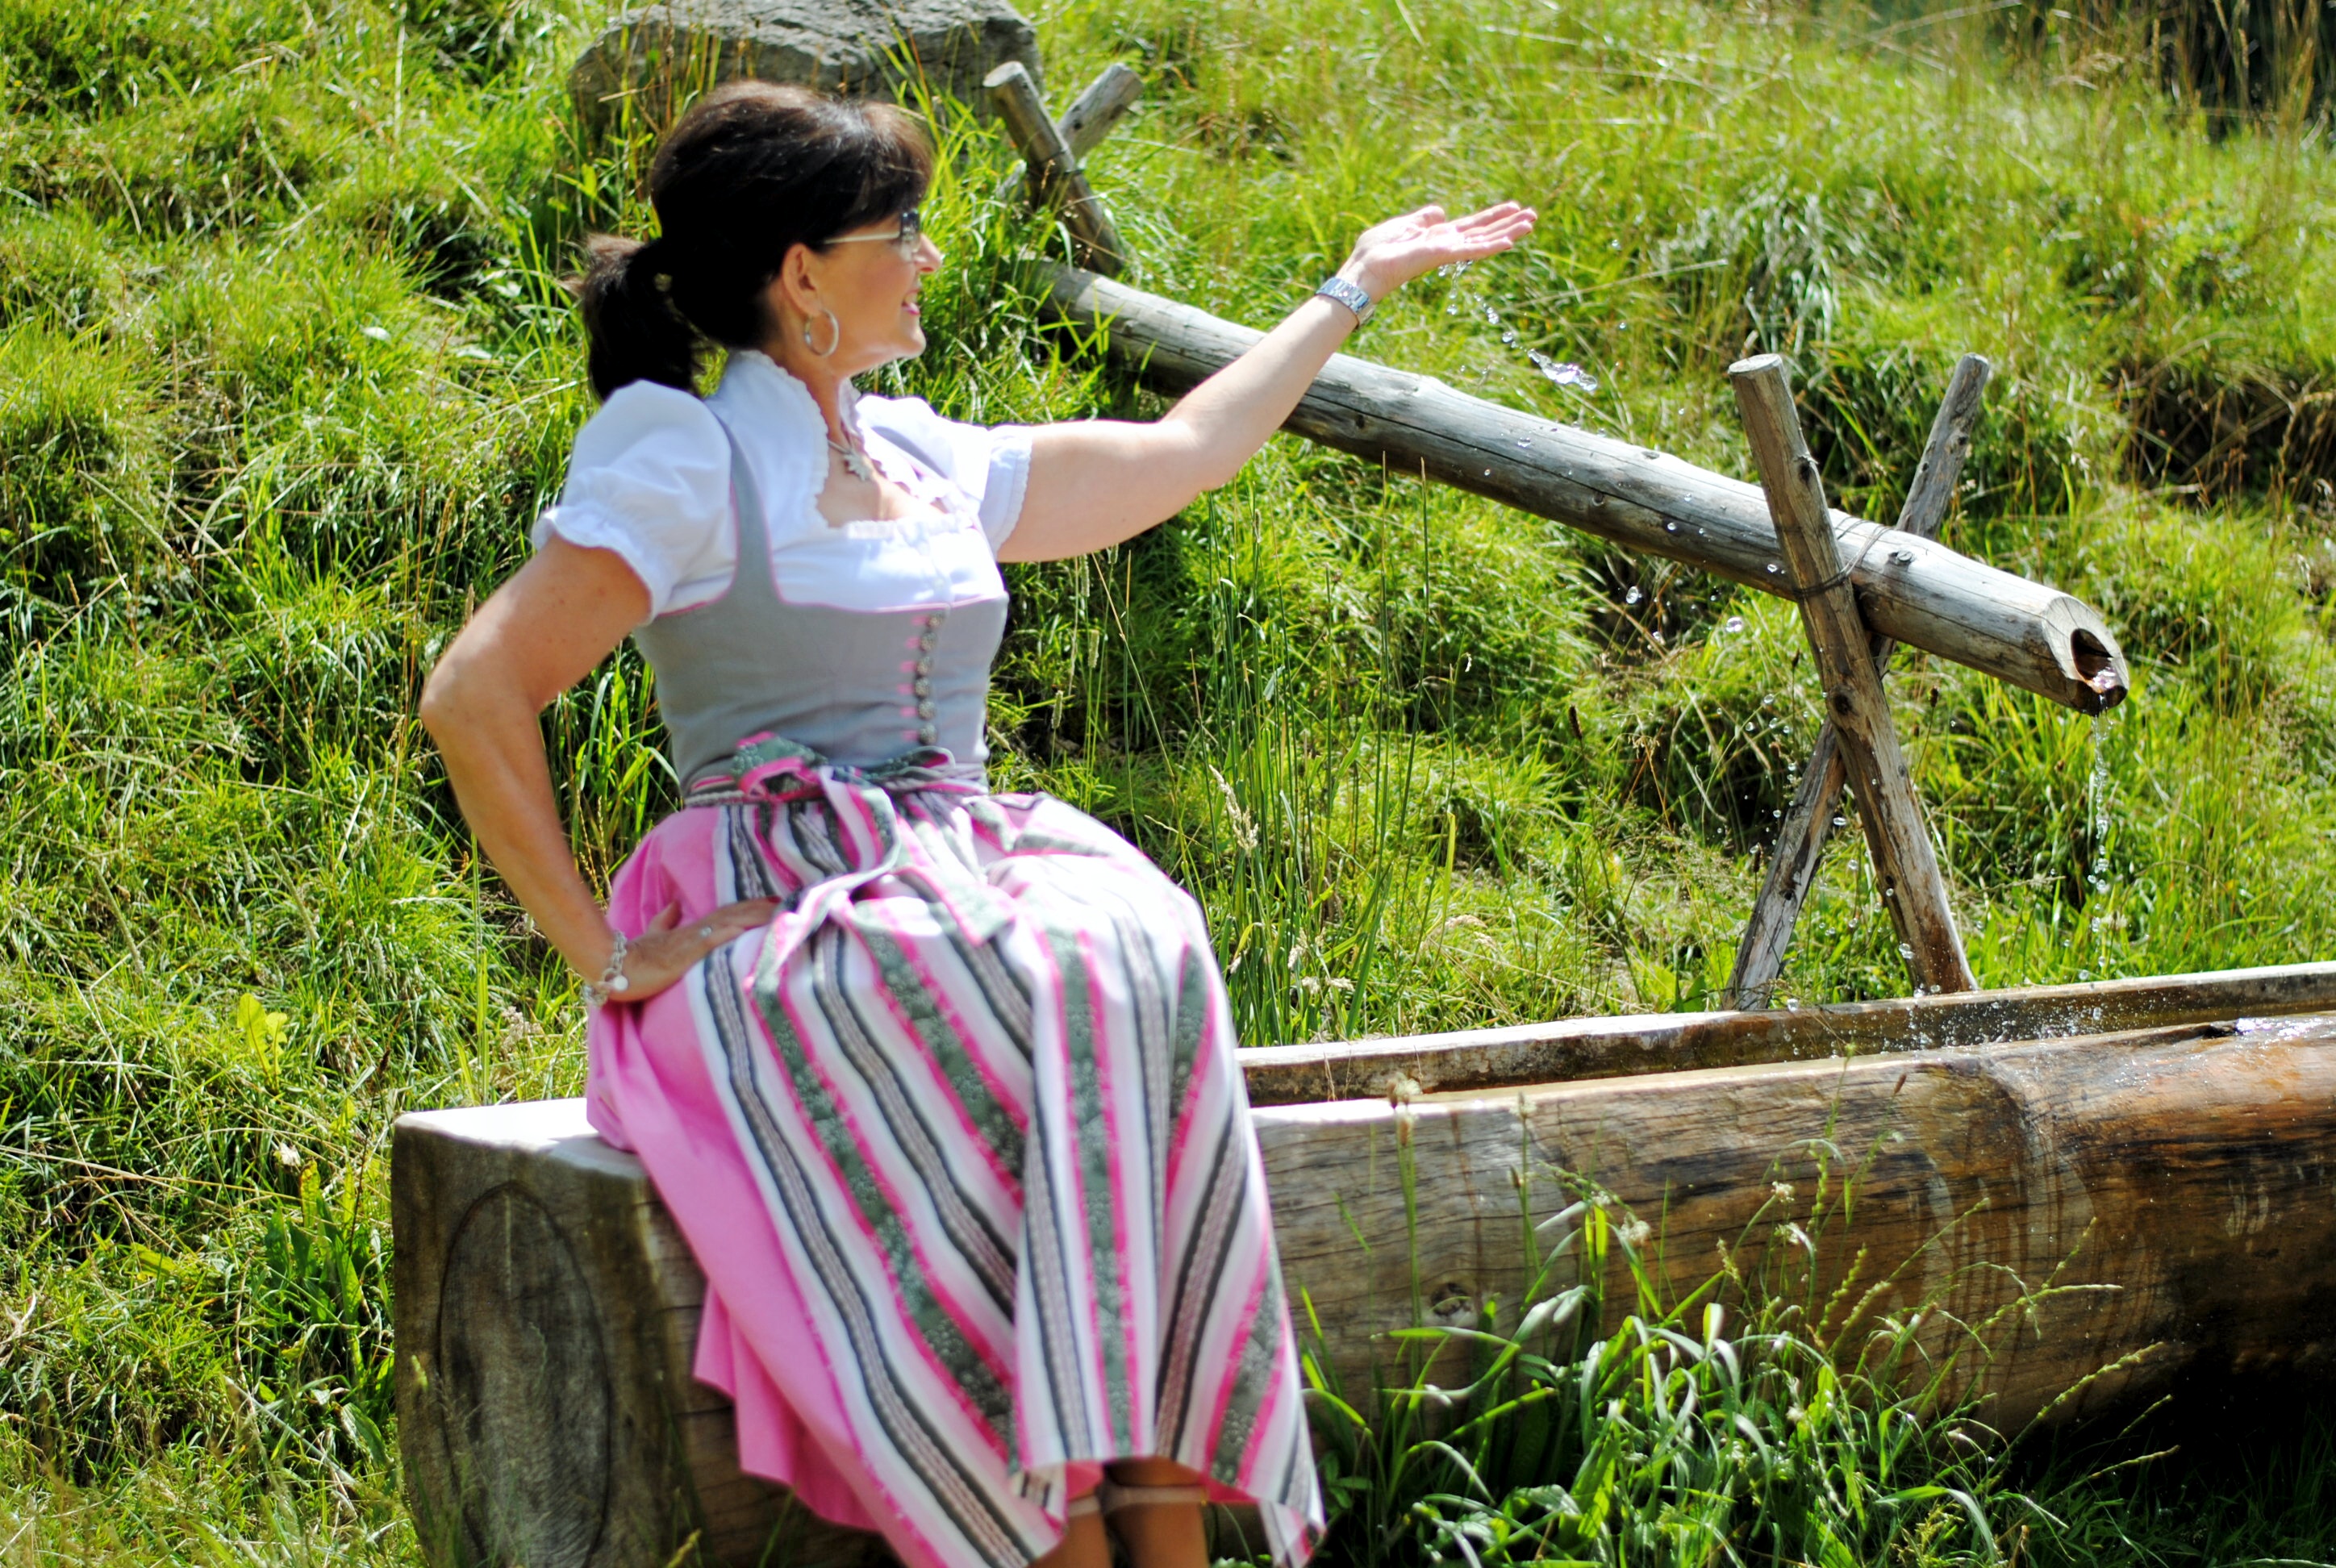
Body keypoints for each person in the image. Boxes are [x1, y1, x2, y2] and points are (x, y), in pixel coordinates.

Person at [419, 79, 1533, 1568]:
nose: (929, 257)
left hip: (959, 860)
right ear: (802, 275)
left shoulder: (920, 455)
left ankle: (1155, 1502)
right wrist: (606, 954)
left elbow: (1188, 450)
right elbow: (475, 693)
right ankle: (1046, 1518)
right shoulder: (686, 459)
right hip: (790, 896)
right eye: (902, 231)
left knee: (1132, 937)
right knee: (1002, 976)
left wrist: (1355, 283)